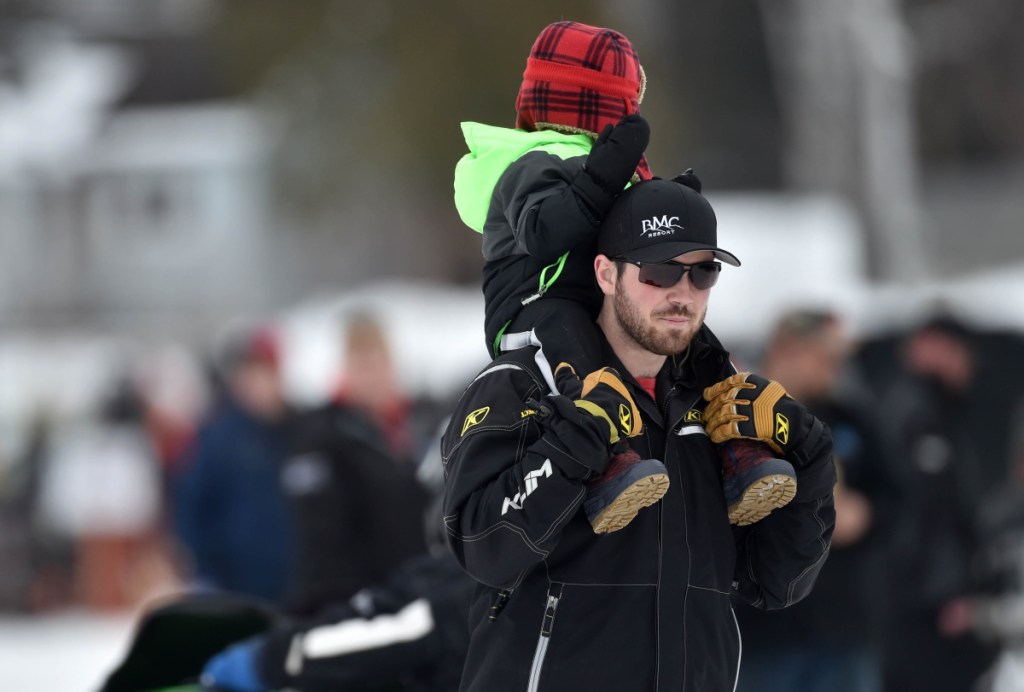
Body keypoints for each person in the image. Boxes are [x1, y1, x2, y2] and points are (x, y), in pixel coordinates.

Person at [442, 177, 837, 691]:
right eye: (658, 270)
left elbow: (777, 581)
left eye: (702, 272)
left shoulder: (718, 407)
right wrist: (570, 447)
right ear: (606, 274)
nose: (682, 293)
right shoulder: (522, 384)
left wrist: (810, 457)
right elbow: (481, 545)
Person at [454, 20, 795, 535]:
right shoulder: (528, 163)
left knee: (692, 339)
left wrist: (671, 210)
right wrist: (604, 175)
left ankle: (739, 448)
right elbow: (547, 231)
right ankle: (609, 464)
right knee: (574, 345)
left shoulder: (607, 165)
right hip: (534, 304)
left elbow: (626, 231)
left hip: (606, 296)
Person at [732, 309, 902, 692]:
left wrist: (866, 515)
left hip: (844, 626)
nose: (834, 367)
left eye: (838, 357)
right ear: (785, 351)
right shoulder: (737, 421)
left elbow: (899, 500)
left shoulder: (852, 419)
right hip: (763, 633)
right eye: (822, 356)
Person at [281, 313, 431, 616]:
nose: (373, 376)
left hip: (421, 593)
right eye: (362, 365)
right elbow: (321, 541)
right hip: (361, 604)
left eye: (379, 363)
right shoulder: (322, 435)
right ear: (346, 369)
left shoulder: (417, 422)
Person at [172, 324, 294, 605]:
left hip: (295, 587)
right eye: (252, 372)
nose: (260, 382)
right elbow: (190, 509)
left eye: (267, 371)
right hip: (236, 588)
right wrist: (209, 571)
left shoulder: (301, 430)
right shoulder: (216, 437)